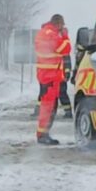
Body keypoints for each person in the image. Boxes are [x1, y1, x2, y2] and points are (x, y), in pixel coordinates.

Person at [34, 14, 72, 145]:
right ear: (58, 24)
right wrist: (65, 36)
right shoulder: (51, 34)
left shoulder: (43, 32)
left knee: (49, 106)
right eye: (62, 26)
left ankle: (43, 133)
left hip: (46, 75)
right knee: (48, 107)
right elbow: (65, 49)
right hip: (50, 76)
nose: (62, 28)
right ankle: (42, 135)